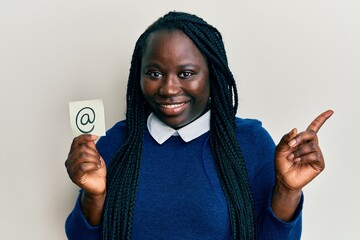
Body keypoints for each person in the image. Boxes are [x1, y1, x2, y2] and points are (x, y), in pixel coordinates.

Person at [65, 11, 333, 240]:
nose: (169, 88)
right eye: (155, 73)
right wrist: (94, 196)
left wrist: (287, 191)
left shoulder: (249, 142)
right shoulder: (117, 143)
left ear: (212, 76)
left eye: (186, 73)